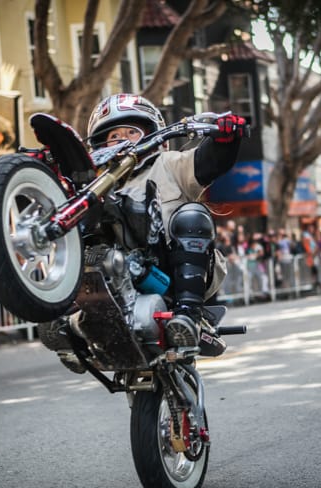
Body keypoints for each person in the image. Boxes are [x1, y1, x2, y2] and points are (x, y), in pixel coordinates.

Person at [86, 94, 245, 354]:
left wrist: (225, 138)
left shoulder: (169, 164)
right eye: (114, 136)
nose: (123, 140)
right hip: (120, 277)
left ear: (150, 135)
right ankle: (71, 323)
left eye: (131, 132)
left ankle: (188, 316)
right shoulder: (96, 187)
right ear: (101, 144)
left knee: (193, 214)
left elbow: (208, 161)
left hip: (173, 270)